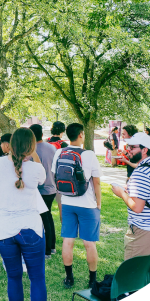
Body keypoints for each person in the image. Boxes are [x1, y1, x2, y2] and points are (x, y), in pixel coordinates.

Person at [0, 127, 47, 301]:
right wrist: (32, 154)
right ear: (32, 146)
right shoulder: (37, 168)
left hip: (3, 229)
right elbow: (42, 181)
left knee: (13, 276)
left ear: (10, 145)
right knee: (37, 278)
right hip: (31, 228)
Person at [110, 132, 150, 277]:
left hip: (145, 229)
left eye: (132, 147)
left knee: (132, 274)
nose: (128, 150)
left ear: (144, 150)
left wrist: (121, 193)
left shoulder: (141, 172)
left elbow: (137, 207)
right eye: (128, 146)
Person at [52, 123, 101, 290]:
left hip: (67, 203)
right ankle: (92, 280)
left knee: (68, 241)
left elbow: (55, 177)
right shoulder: (89, 155)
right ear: (81, 134)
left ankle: (69, 278)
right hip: (87, 205)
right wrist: (98, 204)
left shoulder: (59, 152)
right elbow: (97, 183)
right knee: (89, 243)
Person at [30, 123, 58, 259]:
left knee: (43, 219)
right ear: (42, 134)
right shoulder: (52, 148)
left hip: (40, 190)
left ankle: (47, 250)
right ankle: (52, 247)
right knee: (48, 217)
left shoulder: (31, 151)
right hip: (52, 188)